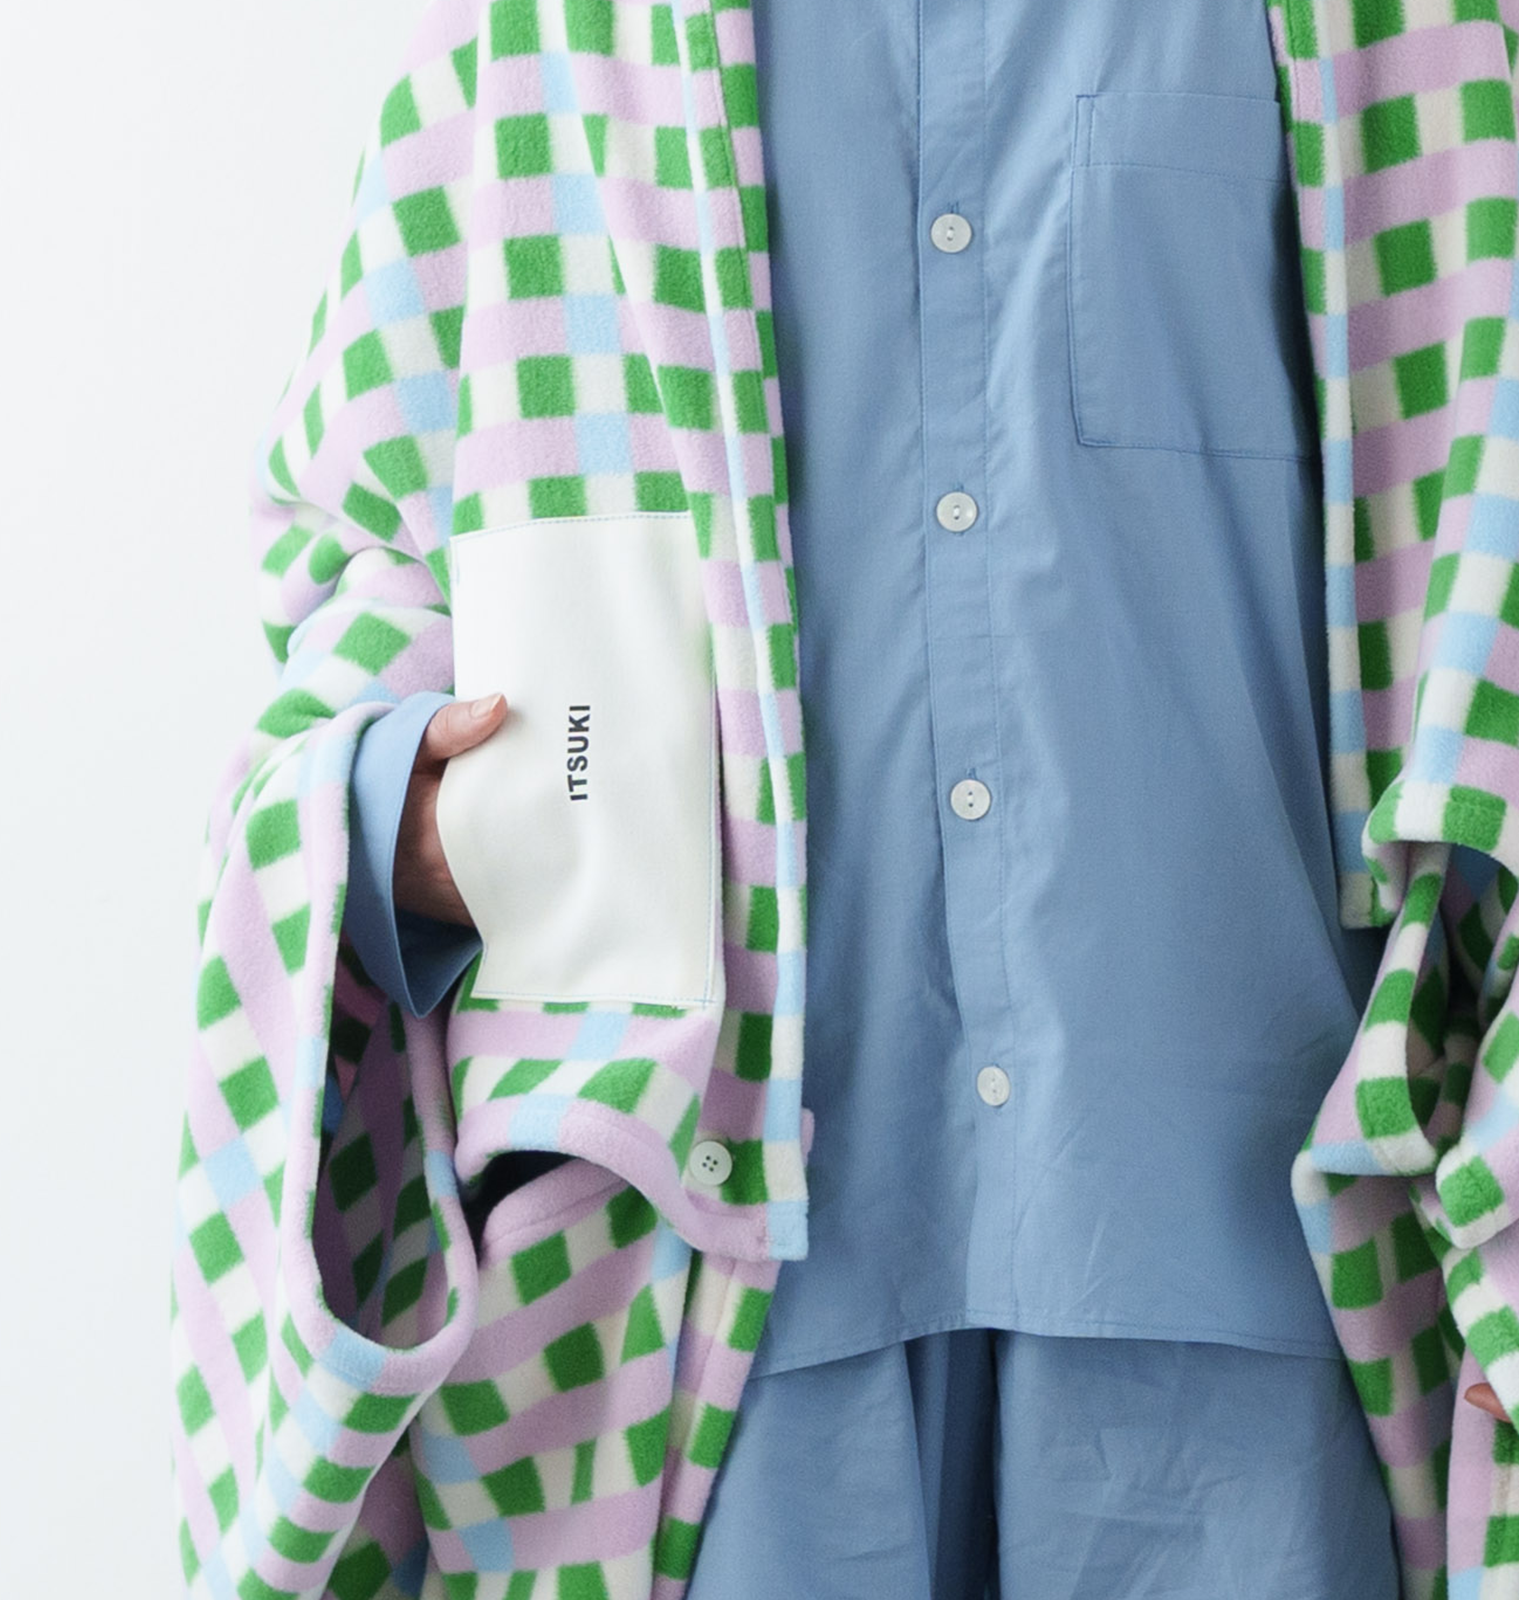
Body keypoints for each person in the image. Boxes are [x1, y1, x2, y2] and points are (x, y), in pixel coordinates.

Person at [326, 1, 1516, 1594]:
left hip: (1244, 1245)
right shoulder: (537, 40)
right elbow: (366, 543)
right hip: (705, 1296)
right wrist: (388, 811)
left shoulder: (1401, 27)